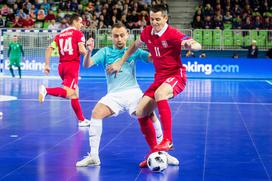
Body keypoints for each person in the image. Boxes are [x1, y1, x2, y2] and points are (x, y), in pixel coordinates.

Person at [107, 5, 201, 167]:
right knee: (140, 112)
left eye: (158, 19)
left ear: (165, 18)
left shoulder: (172, 34)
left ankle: (168, 140)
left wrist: (192, 45)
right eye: (152, 19)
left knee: (160, 94)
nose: (155, 22)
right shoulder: (147, 32)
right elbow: (134, 46)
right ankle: (154, 154)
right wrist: (120, 62)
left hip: (175, 75)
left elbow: (194, 44)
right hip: (159, 78)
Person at [76, 23, 178, 167]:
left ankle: (164, 153)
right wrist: (88, 52)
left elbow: (151, 58)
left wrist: (161, 49)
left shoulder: (133, 51)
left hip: (133, 93)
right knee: (96, 113)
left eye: (122, 35)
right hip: (113, 95)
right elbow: (87, 65)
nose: (119, 39)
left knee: (150, 114)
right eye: (116, 36)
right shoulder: (105, 52)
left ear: (127, 35)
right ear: (111, 37)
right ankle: (93, 156)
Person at [38, 14, 89, 127]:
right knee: (70, 92)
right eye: (80, 22)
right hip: (72, 66)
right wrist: (89, 51)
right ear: (75, 22)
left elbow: (48, 49)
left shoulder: (60, 35)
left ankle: (81, 120)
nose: (81, 25)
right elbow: (82, 50)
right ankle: (46, 90)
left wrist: (47, 65)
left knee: (75, 93)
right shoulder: (78, 33)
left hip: (61, 67)